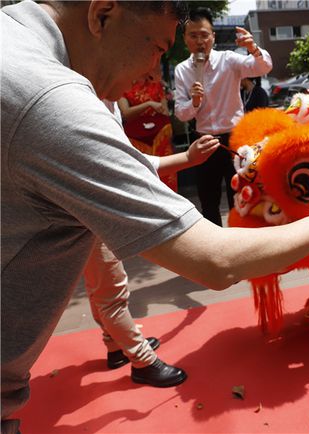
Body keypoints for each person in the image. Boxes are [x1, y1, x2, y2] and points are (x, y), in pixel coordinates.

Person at [0, 2, 309, 433]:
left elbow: (120, 166)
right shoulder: (50, 99)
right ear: (102, 15)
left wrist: (181, 157)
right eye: (157, 48)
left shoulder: (15, 42)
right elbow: (213, 260)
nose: (151, 70)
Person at [86, 100, 219, 387]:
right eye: (155, 51)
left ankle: (116, 347)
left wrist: (188, 158)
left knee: (100, 287)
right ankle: (143, 362)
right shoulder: (84, 101)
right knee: (111, 292)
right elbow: (127, 164)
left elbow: (130, 159)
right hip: (85, 214)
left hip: (85, 212)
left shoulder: (103, 99)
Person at [174, 7, 272, 226]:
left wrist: (252, 47)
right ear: (185, 39)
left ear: (213, 37)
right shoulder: (182, 70)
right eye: (193, 35)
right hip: (204, 140)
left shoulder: (229, 60)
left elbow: (263, 66)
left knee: (239, 196)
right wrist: (195, 102)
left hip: (235, 139)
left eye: (204, 34)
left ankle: (242, 246)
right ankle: (217, 252)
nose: (200, 41)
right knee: (208, 202)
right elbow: (181, 113)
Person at [118, 68, 177, 190]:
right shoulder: (124, 87)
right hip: (137, 139)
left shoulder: (156, 85)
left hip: (158, 136)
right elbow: (126, 113)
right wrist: (148, 104)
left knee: (166, 176)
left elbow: (165, 111)